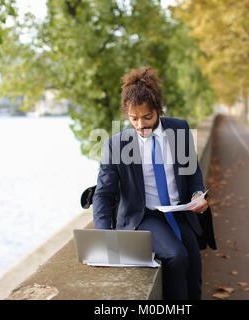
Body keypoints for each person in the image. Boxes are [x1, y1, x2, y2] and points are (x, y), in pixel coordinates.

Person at [92, 66, 208, 300]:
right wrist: (104, 238)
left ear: (158, 109)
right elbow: (103, 194)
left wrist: (197, 194)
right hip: (143, 216)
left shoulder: (179, 129)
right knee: (177, 256)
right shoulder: (117, 144)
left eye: (147, 117)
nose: (141, 125)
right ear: (127, 114)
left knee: (194, 266)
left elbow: (192, 171)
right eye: (134, 119)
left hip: (179, 212)